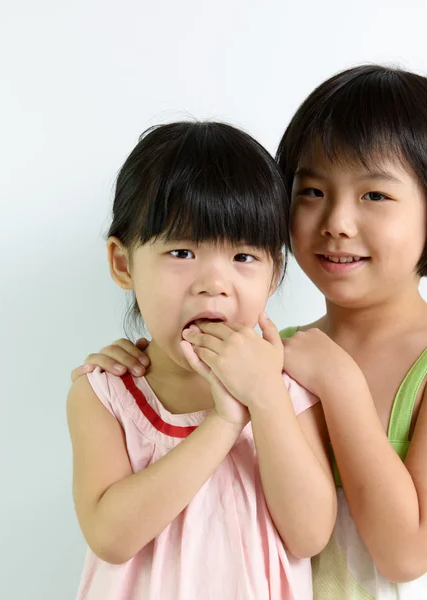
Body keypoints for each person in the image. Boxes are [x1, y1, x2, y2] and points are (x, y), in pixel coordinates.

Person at [75, 66, 427, 599]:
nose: (337, 220)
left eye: (375, 196)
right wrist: (143, 362)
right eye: (312, 190)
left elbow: (405, 553)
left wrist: (339, 384)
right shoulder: (271, 353)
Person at [67, 121, 336, 600]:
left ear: (274, 274)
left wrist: (264, 399)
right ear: (123, 264)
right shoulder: (106, 391)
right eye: (182, 251)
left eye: (244, 257)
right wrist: (224, 423)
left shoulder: (289, 388)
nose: (214, 282)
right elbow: (110, 537)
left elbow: (310, 534)